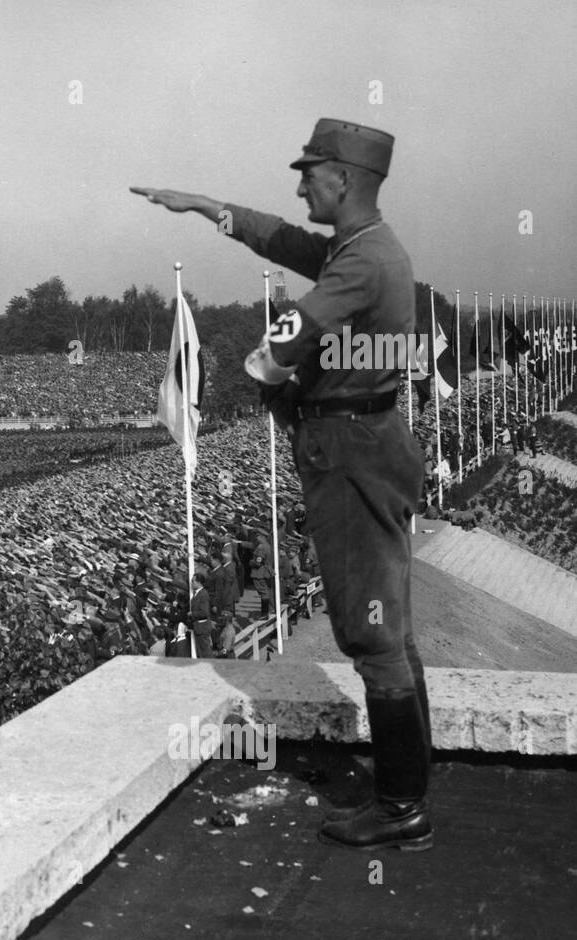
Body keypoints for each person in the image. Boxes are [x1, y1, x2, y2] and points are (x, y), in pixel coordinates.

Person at [136, 117, 433, 852]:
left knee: (370, 629)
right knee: (388, 619)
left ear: (344, 179)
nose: (300, 184)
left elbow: (288, 337)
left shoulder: (360, 263)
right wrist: (203, 204)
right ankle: (412, 781)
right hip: (367, 438)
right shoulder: (362, 248)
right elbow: (275, 236)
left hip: (350, 449)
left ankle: (400, 804)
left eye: (310, 173)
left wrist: (262, 375)